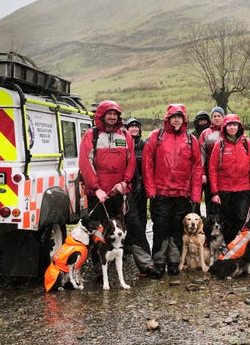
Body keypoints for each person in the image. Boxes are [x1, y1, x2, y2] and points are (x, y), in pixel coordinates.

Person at [142, 104, 203, 276]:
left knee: (177, 228)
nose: (176, 119)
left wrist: (196, 195)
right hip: (160, 192)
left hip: (182, 193)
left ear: (184, 119)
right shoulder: (156, 136)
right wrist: (150, 190)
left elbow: (197, 168)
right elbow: (147, 163)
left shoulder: (191, 140)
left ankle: (174, 262)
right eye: (173, 117)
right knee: (160, 227)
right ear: (168, 119)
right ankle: (159, 262)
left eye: (180, 117)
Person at [79, 100, 135, 273]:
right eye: (109, 114)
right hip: (98, 193)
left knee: (119, 227)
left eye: (115, 114)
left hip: (117, 192)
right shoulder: (91, 135)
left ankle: (115, 261)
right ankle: (98, 264)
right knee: (98, 231)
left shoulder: (125, 136)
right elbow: (85, 164)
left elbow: (131, 162)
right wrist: (96, 189)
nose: (112, 117)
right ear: (102, 116)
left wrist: (124, 182)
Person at [208, 114, 250, 244]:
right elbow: (212, 169)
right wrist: (214, 192)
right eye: (229, 125)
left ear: (239, 127)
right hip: (224, 189)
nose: (232, 128)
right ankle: (230, 249)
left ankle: (241, 249)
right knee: (227, 221)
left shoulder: (246, 144)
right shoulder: (219, 145)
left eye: (234, 125)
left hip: (243, 189)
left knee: (242, 220)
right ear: (224, 128)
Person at [124, 118, 160, 279]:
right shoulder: (123, 143)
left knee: (140, 217)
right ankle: (125, 247)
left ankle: (138, 249)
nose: (134, 129)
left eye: (136, 127)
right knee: (126, 219)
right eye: (131, 127)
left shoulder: (144, 144)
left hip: (142, 185)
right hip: (127, 186)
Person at [200, 106, 225, 214]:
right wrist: (202, 173)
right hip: (210, 174)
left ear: (223, 117)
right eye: (214, 116)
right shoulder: (205, 133)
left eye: (219, 116)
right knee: (211, 202)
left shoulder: (230, 130)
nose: (217, 118)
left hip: (226, 174)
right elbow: (201, 155)